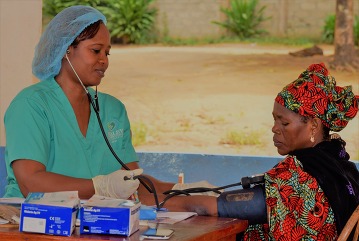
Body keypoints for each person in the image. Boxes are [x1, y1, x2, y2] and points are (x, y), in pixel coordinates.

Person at [3, 5, 215, 200]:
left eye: (107, 52)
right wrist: (100, 187)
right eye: (96, 51)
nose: (104, 60)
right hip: (29, 224)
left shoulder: (113, 110)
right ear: (67, 49)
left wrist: (186, 194)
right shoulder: (31, 105)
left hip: (92, 223)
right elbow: (30, 183)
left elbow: (132, 186)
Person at [155, 63, 359, 240]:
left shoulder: (300, 176)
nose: (275, 128)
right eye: (274, 119)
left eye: (284, 122)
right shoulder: (342, 167)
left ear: (313, 125)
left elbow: (210, 208)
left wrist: (154, 203)